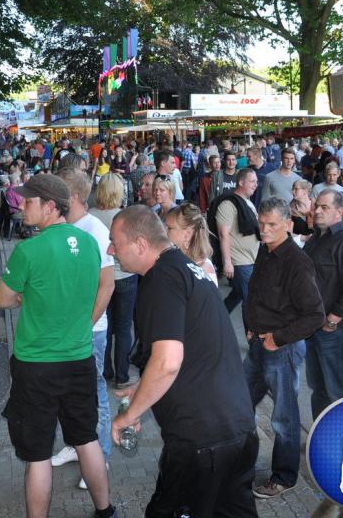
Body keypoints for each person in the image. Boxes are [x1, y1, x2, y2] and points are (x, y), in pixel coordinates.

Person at [108, 206, 259, 518]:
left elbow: (168, 362)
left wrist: (128, 416)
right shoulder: (185, 268)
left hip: (202, 440)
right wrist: (144, 386)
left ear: (140, 244)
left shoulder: (161, 277)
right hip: (237, 428)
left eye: (115, 242)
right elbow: (193, 348)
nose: (110, 250)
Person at [0, 174, 116, 518]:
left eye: (28, 201)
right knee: (86, 439)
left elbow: (3, 299)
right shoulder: (89, 243)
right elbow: (99, 286)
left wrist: (25, 295)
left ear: (50, 206)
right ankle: (106, 511)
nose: (21, 206)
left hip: (36, 365)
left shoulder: (28, 250)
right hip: (79, 358)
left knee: (37, 455)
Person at [244, 198, 325, 499]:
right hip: (257, 345)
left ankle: (284, 477)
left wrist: (277, 339)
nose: (264, 230)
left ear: (288, 225)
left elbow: (315, 316)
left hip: (282, 349)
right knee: (240, 404)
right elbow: (255, 293)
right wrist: (251, 326)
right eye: (261, 224)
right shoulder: (265, 250)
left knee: (284, 418)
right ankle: (240, 467)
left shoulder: (297, 262)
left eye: (272, 225)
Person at [52, 169, 115, 490]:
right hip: (68, 329)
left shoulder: (95, 231)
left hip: (90, 330)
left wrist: (87, 324)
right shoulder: (66, 227)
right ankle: (77, 446)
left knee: (94, 393)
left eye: (58, 192)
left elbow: (107, 285)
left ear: (73, 197)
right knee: (70, 393)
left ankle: (100, 456)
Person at [304, 189, 343, 419]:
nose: (318, 211)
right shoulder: (316, 238)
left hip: (334, 329)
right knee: (318, 388)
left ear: (339, 212)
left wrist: (332, 320)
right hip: (312, 326)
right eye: (317, 206)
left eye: (325, 207)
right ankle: (321, 436)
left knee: (337, 389)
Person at [89, 174, 138, 389]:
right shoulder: (124, 216)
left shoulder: (90, 216)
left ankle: (105, 370)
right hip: (125, 276)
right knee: (124, 326)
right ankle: (122, 376)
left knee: (105, 324)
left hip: (100, 278)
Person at [216, 169, 260, 320]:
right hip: (239, 262)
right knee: (250, 301)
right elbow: (223, 234)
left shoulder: (247, 203)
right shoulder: (228, 204)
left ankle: (216, 320)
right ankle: (252, 334)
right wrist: (227, 262)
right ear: (241, 182)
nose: (256, 185)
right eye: (252, 181)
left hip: (251, 259)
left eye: (256, 181)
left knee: (237, 295)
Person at [164, 203, 218, 285]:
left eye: (169, 228)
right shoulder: (174, 257)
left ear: (188, 234)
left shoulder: (204, 270)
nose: (165, 231)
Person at [312, 162, 343, 232]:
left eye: (334, 175)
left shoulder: (342, 190)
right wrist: (312, 222)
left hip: (337, 224)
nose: (332, 177)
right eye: (329, 175)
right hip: (321, 223)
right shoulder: (317, 188)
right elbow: (312, 207)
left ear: (338, 174)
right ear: (325, 174)